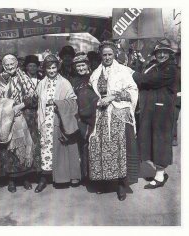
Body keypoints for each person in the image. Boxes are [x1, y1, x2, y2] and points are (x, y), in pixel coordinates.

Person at [88, 41, 139, 201]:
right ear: (101, 56)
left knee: (119, 149)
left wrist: (112, 97)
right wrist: (97, 101)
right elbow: (92, 93)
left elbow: (132, 92)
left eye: (110, 54)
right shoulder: (95, 73)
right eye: (105, 55)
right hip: (101, 115)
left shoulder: (124, 71)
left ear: (115, 54)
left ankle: (121, 184)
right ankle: (104, 180)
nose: (107, 57)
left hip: (118, 115)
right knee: (102, 147)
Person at [132, 39, 178, 189]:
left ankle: (160, 176)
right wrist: (139, 65)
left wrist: (133, 74)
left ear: (170, 55)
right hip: (152, 110)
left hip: (162, 111)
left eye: (165, 52)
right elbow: (143, 76)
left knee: (160, 141)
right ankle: (159, 172)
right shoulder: (154, 66)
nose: (162, 55)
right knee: (151, 139)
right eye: (159, 52)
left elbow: (147, 80)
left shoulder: (170, 69)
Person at [0, 54, 39, 193]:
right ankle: (11, 179)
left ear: (17, 64)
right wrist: (9, 108)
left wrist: (20, 106)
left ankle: (25, 178)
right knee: (8, 147)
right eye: (7, 65)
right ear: (4, 66)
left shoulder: (24, 77)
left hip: (24, 115)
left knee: (25, 145)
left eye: (12, 64)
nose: (10, 67)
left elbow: (34, 98)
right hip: (6, 118)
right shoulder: (0, 80)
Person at [35, 54, 81, 193]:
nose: (51, 71)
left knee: (60, 148)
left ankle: (61, 177)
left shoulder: (64, 82)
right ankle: (44, 177)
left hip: (58, 119)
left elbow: (73, 101)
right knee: (46, 148)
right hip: (45, 120)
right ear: (44, 69)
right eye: (48, 68)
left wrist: (58, 104)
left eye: (54, 67)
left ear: (57, 68)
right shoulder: (41, 83)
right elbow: (36, 100)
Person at [70, 52, 99, 179]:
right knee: (83, 145)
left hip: (96, 116)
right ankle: (86, 176)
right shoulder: (73, 81)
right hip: (80, 118)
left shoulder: (95, 77)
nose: (81, 68)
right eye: (78, 66)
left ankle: (97, 176)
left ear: (87, 65)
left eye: (83, 65)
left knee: (95, 145)